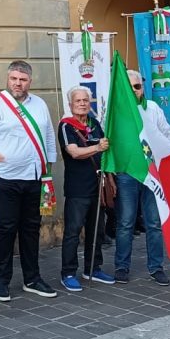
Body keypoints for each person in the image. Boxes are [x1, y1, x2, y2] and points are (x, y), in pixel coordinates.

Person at [0, 60, 58, 302]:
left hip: (34, 178)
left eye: (22, 79)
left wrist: (48, 172)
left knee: (31, 228)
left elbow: (49, 137)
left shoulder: (40, 104)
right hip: (5, 178)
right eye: (14, 78)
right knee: (6, 229)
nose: (18, 83)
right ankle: (0, 280)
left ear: (30, 81)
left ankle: (32, 278)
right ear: (7, 79)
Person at [114, 71, 170, 286]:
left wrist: (167, 159)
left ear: (143, 87)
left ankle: (156, 267)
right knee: (125, 222)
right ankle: (121, 266)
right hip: (128, 173)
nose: (134, 90)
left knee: (154, 223)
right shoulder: (116, 111)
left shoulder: (153, 108)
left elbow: (168, 135)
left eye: (137, 86)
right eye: (129, 87)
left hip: (152, 173)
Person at [58, 86, 113, 291]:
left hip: (97, 186)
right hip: (77, 188)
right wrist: (98, 147)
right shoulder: (66, 126)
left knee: (97, 230)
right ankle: (68, 272)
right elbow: (74, 152)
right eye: (78, 101)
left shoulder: (94, 123)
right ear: (71, 104)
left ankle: (93, 268)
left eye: (85, 100)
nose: (82, 104)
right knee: (73, 231)